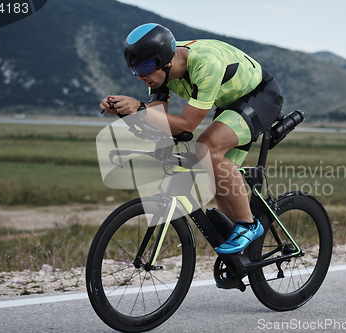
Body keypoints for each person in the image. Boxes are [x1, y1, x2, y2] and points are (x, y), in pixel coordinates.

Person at [99, 23, 284, 254]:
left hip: (260, 95)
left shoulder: (206, 65)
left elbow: (187, 127)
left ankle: (249, 224)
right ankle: (243, 256)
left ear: (165, 60)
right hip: (229, 103)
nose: (141, 76)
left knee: (207, 148)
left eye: (145, 67)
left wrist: (139, 108)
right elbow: (160, 122)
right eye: (135, 70)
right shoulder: (157, 74)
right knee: (216, 177)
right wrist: (127, 112)